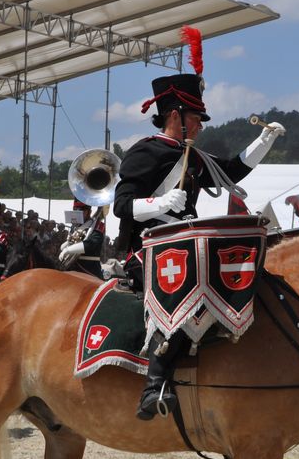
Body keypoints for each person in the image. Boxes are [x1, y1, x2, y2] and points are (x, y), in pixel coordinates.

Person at [112, 30, 285, 420]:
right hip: (148, 248)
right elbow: (121, 206)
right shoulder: (146, 152)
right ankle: (155, 384)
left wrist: (264, 140)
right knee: (188, 288)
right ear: (176, 117)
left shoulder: (194, 155)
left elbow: (231, 170)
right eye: (196, 118)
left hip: (183, 243)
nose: (202, 125)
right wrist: (158, 203)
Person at [58, 199, 106, 278]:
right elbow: (65, 246)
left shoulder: (98, 225)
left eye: (81, 210)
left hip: (89, 270)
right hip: (72, 268)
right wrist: (68, 242)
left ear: (89, 212)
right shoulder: (75, 227)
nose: (77, 212)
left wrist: (68, 250)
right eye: (75, 210)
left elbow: (90, 245)